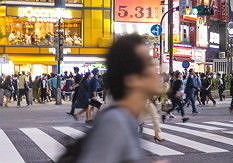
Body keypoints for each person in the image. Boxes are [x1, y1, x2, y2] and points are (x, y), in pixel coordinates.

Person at [64, 34, 162, 163]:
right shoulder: (116, 121)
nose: (156, 69)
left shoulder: (127, 118)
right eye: (149, 63)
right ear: (131, 79)